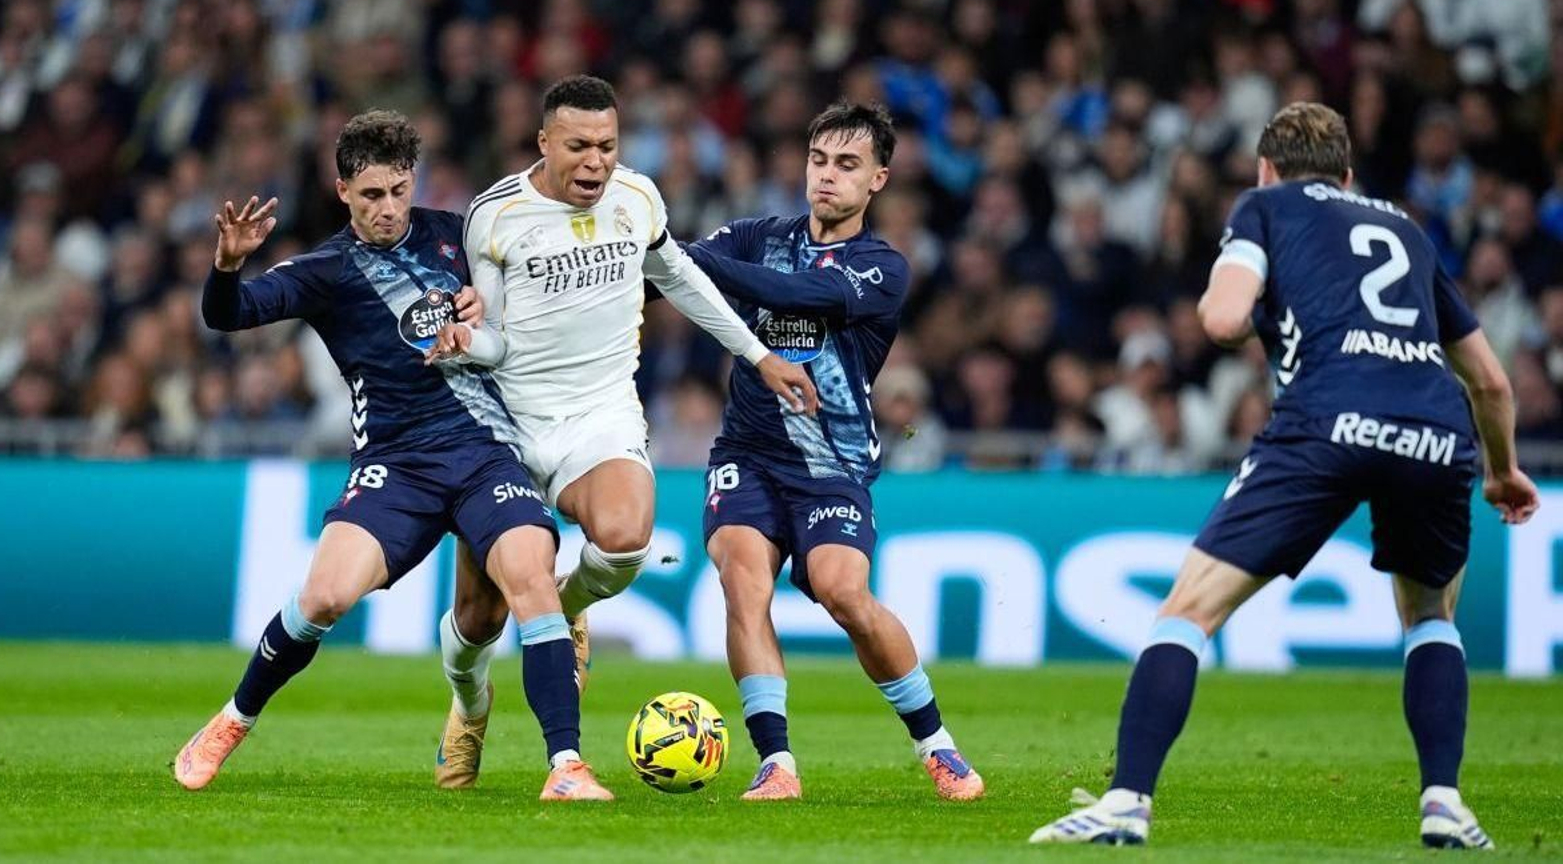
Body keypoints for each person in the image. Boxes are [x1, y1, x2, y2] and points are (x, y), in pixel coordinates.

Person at [1029, 102, 1540, 848]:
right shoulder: (1403, 227)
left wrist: (1227, 290)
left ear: (1265, 168)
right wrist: (1503, 472)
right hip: (1435, 432)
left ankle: (1126, 802)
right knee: (1430, 617)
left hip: (1326, 417)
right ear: (1349, 176)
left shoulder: (1263, 206)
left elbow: (1224, 319)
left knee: (1187, 611)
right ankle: (1445, 802)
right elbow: (1491, 383)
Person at [173, 110, 613, 802]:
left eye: (399, 191)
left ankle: (566, 767)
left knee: (531, 582)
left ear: (416, 183)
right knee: (323, 598)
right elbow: (228, 316)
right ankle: (231, 721)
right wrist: (227, 266)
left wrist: (487, 309)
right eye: (372, 194)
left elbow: (527, 301)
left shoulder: (457, 236)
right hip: (395, 464)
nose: (388, 208)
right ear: (343, 189)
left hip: (483, 451)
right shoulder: (324, 270)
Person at [422, 75, 817, 790]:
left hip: (600, 411)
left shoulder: (638, 199)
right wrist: (462, 342)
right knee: (478, 617)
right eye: (578, 146)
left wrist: (759, 357)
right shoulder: (494, 215)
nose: (595, 162)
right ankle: (468, 703)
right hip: (506, 423)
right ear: (544, 143)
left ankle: (564, 610)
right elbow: (498, 340)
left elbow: (684, 278)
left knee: (628, 538)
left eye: (607, 145)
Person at [677, 101, 986, 802]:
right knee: (742, 581)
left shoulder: (883, 267)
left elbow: (793, 292)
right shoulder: (758, 233)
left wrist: (681, 256)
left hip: (832, 464)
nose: (827, 177)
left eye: (847, 165)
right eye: (819, 161)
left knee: (846, 593)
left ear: (878, 179)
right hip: (748, 452)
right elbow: (682, 274)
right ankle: (776, 763)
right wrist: (671, 257)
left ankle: (936, 745)